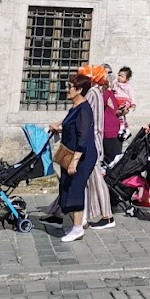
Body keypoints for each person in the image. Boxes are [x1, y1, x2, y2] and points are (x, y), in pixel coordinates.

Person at [52, 72, 99, 243]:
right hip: (70, 153)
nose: (67, 90)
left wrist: (75, 161)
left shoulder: (85, 110)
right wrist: (58, 127)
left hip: (82, 156)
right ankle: (75, 222)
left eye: (70, 87)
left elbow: (83, 137)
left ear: (79, 90)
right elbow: (70, 125)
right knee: (66, 185)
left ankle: (78, 228)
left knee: (75, 188)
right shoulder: (75, 107)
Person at [79, 65, 116, 230]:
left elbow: (85, 118)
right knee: (80, 180)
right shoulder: (95, 93)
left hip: (91, 143)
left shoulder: (93, 94)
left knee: (95, 180)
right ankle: (61, 213)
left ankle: (107, 216)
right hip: (90, 141)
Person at [113, 66, 137, 139]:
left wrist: (133, 104)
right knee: (122, 115)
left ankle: (122, 127)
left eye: (122, 76)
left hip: (125, 101)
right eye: (119, 75)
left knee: (121, 111)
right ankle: (127, 129)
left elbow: (131, 95)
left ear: (127, 78)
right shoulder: (116, 84)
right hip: (118, 101)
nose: (119, 77)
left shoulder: (128, 87)